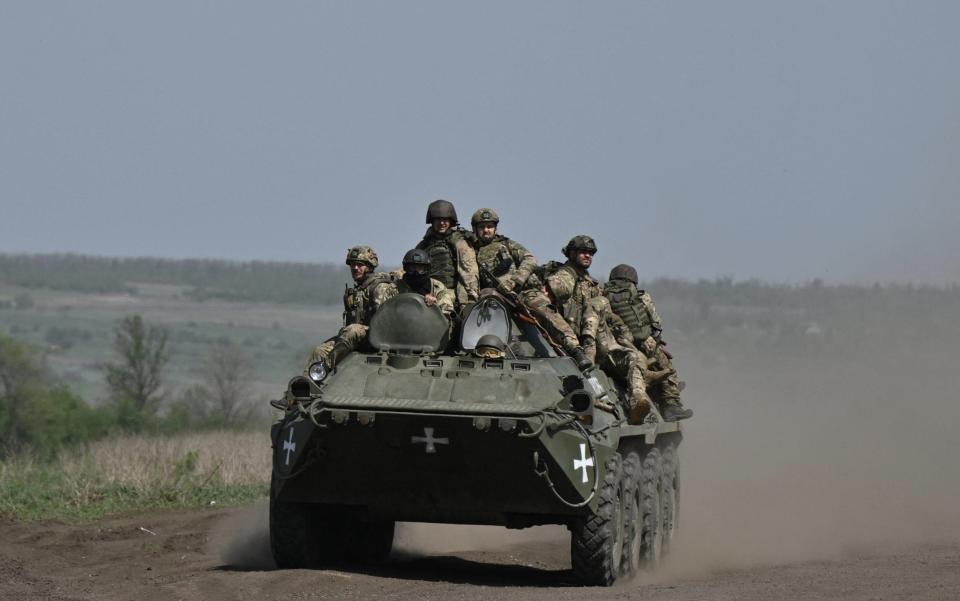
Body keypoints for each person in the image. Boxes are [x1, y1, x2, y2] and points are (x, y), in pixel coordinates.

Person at [545, 235, 655, 423]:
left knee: (635, 357)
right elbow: (552, 291)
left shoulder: (592, 284)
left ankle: (638, 400)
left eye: (590, 253)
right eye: (583, 252)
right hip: (571, 343)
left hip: (599, 343)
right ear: (572, 253)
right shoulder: (565, 275)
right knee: (600, 302)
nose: (587, 256)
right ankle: (589, 357)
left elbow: (609, 315)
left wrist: (625, 333)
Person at [467, 207, 591, 370]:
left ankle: (576, 351)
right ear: (475, 229)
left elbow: (529, 259)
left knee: (548, 314)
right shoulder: (470, 250)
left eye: (489, 226)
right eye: (482, 227)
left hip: (522, 291)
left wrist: (515, 281)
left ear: (495, 228)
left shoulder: (507, 244)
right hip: (495, 294)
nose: (486, 230)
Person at [604, 264, 692, 421]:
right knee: (664, 365)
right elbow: (656, 323)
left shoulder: (603, 295)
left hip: (616, 346)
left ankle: (666, 391)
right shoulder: (641, 297)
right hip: (642, 345)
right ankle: (671, 404)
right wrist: (656, 342)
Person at [306, 245, 392, 368]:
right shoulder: (358, 290)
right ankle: (307, 384)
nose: (355, 268)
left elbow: (384, 323)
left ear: (369, 266)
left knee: (353, 330)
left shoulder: (380, 288)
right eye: (352, 265)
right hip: (356, 338)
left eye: (360, 265)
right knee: (320, 351)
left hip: (376, 337)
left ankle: (323, 369)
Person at [415, 200, 479, 308]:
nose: (441, 223)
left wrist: (471, 299)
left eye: (445, 220)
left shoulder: (460, 243)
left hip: (452, 293)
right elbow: (411, 266)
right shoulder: (425, 244)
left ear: (451, 221)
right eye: (438, 220)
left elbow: (469, 272)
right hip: (428, 291)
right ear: (432, 221)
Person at [371, 248, 455, 320]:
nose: (416, 273)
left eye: (420, 269)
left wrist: (435, 307)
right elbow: (382, 316)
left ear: (427, 269)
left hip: (429, 332)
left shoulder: (437, 287)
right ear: (406, 268)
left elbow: (447, 316)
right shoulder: (394, 289)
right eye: (412, 268)